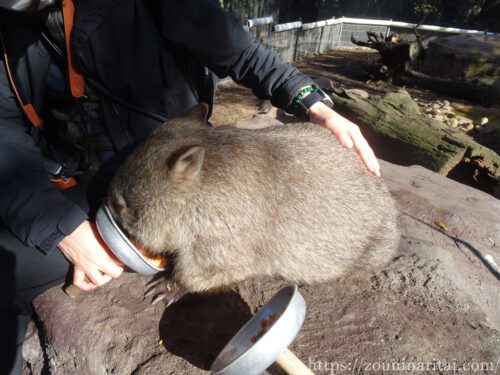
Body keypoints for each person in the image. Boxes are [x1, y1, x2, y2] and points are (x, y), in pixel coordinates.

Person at [0, 0, 381, 373]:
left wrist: (312, 101)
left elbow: (237, 49)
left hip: (162, 168)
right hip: (80, 179)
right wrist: (61, 227)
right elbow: (4, 136)